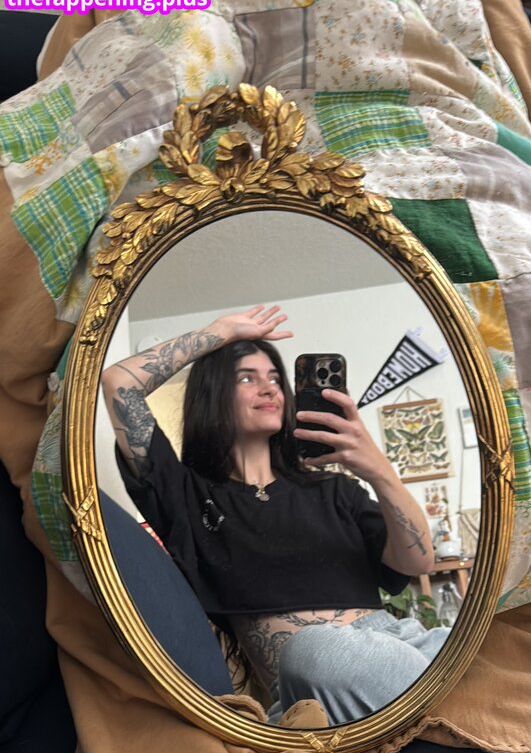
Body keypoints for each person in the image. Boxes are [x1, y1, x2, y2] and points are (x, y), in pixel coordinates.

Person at [101, 304, 450, 724]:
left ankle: (436, 701)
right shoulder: (188, 497)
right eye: (247, 378)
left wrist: (378, 470)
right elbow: (119, 382)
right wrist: (221, 332)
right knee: (314, 649)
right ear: (214, 393)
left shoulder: (335, 489)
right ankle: (439, 704)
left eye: (274, 379)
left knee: (462, 641)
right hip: (311, 686)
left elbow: (418, 562)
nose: (269, 390)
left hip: (399, 647)